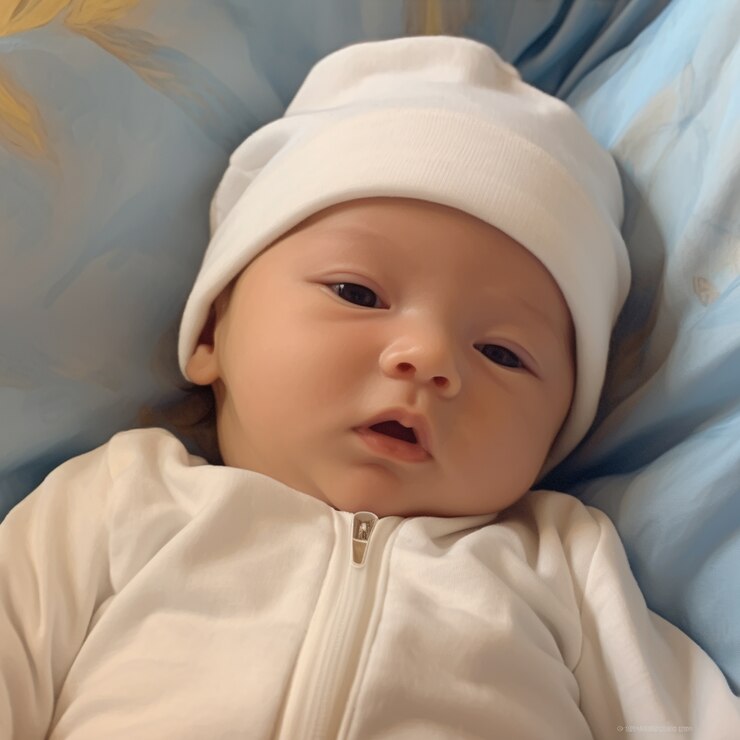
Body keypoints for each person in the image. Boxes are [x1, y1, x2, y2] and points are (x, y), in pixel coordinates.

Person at [1, 36, 738, 740]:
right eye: (357, 293)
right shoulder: (123, 499)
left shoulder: (564, 568)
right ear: (211, 334)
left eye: (502, 353)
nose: (429, 357)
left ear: (556, 432)